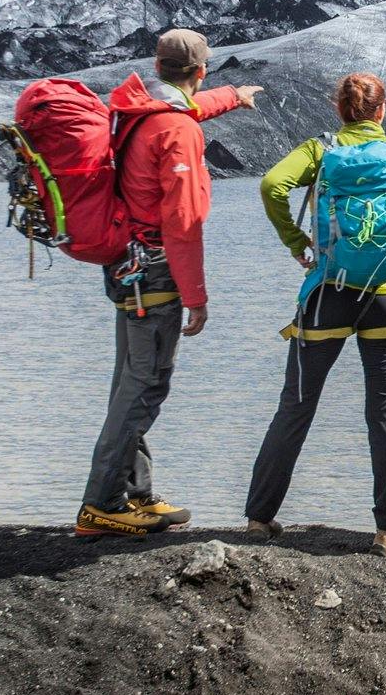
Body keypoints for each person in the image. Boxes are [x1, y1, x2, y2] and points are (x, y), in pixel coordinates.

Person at [77, 28, 261, 536]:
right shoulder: (177, 130)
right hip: (154, 273)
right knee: (145, 384)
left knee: (129, 382)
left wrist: (232, 98)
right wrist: (196, 298)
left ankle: (134, 493)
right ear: (200, 70)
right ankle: (102, 503)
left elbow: (184, 112)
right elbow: (183, 221)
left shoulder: (139, 110)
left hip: (124, 266)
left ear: (157, 68)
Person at [245, 71, 386, 557]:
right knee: (385, 410)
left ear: (339, 110)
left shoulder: (320, 152)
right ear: (382, 110)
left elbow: (272, 185)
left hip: (328, 291)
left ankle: (259, 517)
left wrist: (296, 243)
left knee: (297, 403)